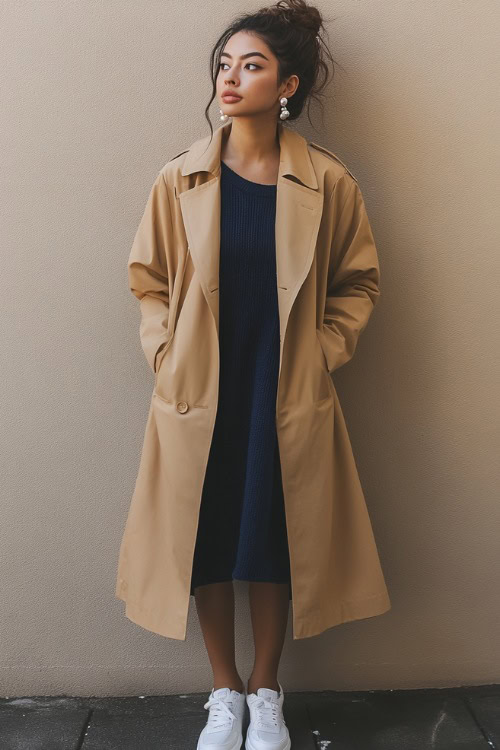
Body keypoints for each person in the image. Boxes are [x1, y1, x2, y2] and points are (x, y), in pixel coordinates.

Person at [116, 1, 392, 747]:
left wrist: (325, 350)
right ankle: (223, 692)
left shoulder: (328, 184)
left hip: (285, 390)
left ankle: (267, 691)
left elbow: (358, 283)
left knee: (270, 537)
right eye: (224, 65)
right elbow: (148, 281)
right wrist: (165, 352)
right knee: (205, 541)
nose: (230, 78)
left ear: (287, 87)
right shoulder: (181, 180)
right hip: (199, 391)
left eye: (251, 65)